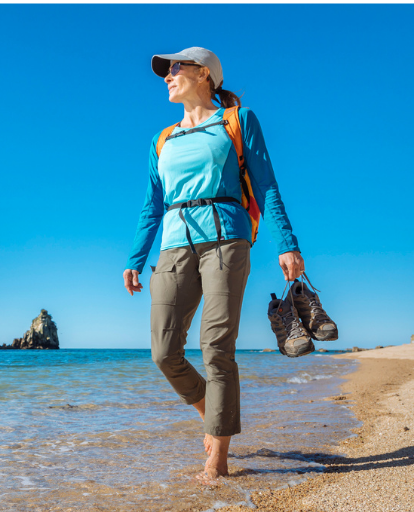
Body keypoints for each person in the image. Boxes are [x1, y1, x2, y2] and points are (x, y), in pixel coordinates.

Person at [123, 47, 305, 482]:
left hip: (226, 238)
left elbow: (266, 185)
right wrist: (136, 257)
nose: (168, 75)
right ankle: (213, 415)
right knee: (164, 352)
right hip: (172, 246)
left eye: (176, 67)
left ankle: (217, 459)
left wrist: (287, 242)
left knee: (216, 348)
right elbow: (152, 204)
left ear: (205, 74)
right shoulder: (161, 140)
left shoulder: (236, 122)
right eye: (166, 70)